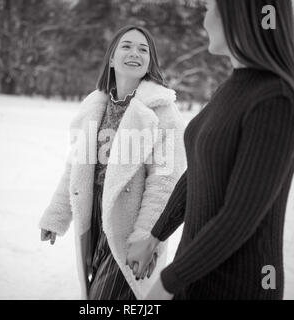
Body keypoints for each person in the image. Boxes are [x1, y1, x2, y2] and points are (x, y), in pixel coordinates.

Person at [126, 0, 294, 300]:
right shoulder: (235, 86)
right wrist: (154, 237)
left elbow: (239, 217)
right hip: (195, 276)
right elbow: (201, 171)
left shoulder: (276, 101)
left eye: (209, 7)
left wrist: (166, 284)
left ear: (236, 14)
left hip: (236, 288)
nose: (204, 19)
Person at [38, 25, 186, 300]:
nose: (135, 53)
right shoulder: (94, 105)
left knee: (105, 297)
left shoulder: (162, 110)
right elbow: (75, 166)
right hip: (93, 216)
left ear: (150, 62)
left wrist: (146, 236)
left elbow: (165, 180)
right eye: (126, 46)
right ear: (111, 58)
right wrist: (57, 214)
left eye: (144, 50)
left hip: (130, 223)